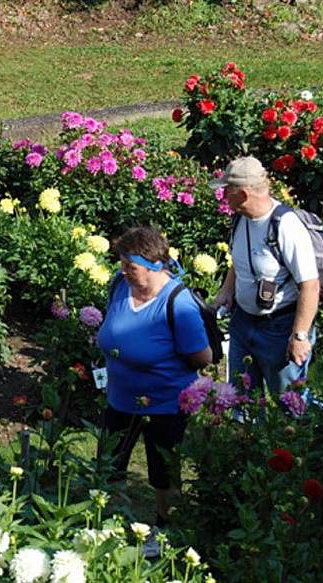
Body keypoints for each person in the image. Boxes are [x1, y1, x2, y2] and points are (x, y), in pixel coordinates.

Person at [97, 226, 212, 530]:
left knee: (163, 474)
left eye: (130, 267)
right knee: (108, 466)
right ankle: (112, 524)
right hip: (119, 399)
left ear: (154, 266)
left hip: (164, 405)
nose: (124, 272)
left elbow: (203, 357)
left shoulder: (179, 303)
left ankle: (164, 531)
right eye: (122, 265)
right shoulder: (120, 286)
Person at [211, 156, 319, 398]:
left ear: (244, 194)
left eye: (227, 190)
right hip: (243, 323)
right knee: (241, 399)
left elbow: (310, 285)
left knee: (290, 403)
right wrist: (227, 292)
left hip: (280, 329)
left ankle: (316, 433)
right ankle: (246, 435)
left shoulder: (286, 226)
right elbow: (239, 262)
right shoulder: (240, 218)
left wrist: (299, 336)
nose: (223, 195)